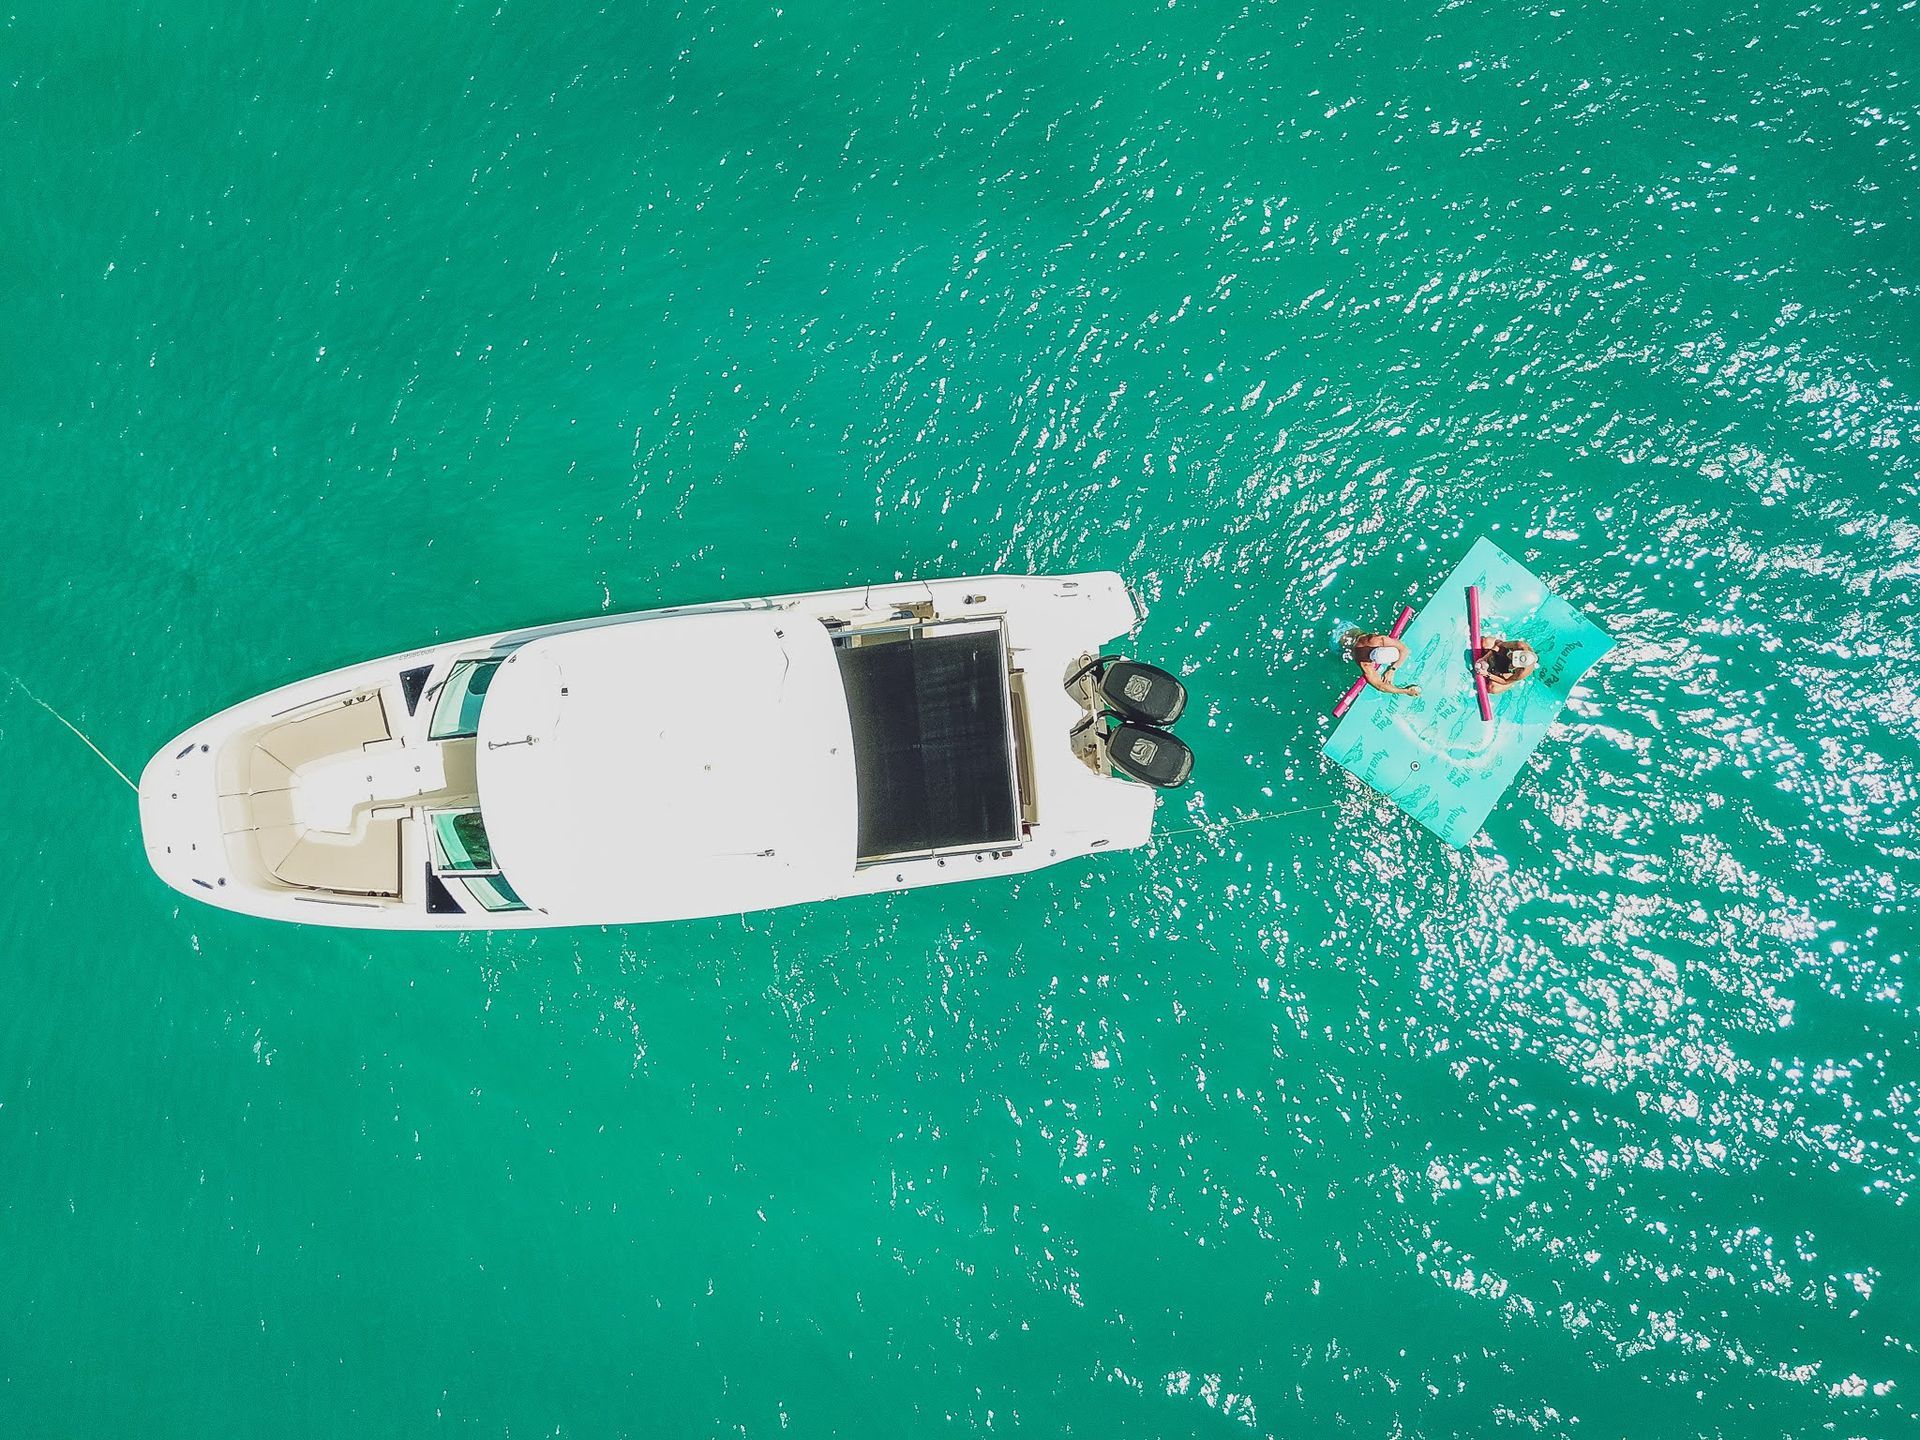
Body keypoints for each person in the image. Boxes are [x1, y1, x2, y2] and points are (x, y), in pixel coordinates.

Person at [1347, 630, 1420, 697]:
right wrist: (1406, 691)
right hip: (1345, 642)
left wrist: (1392, 669)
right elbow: (1380, 687)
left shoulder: (1378, 640)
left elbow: (1404, 650)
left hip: (1353, 632)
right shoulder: (1365, 664)